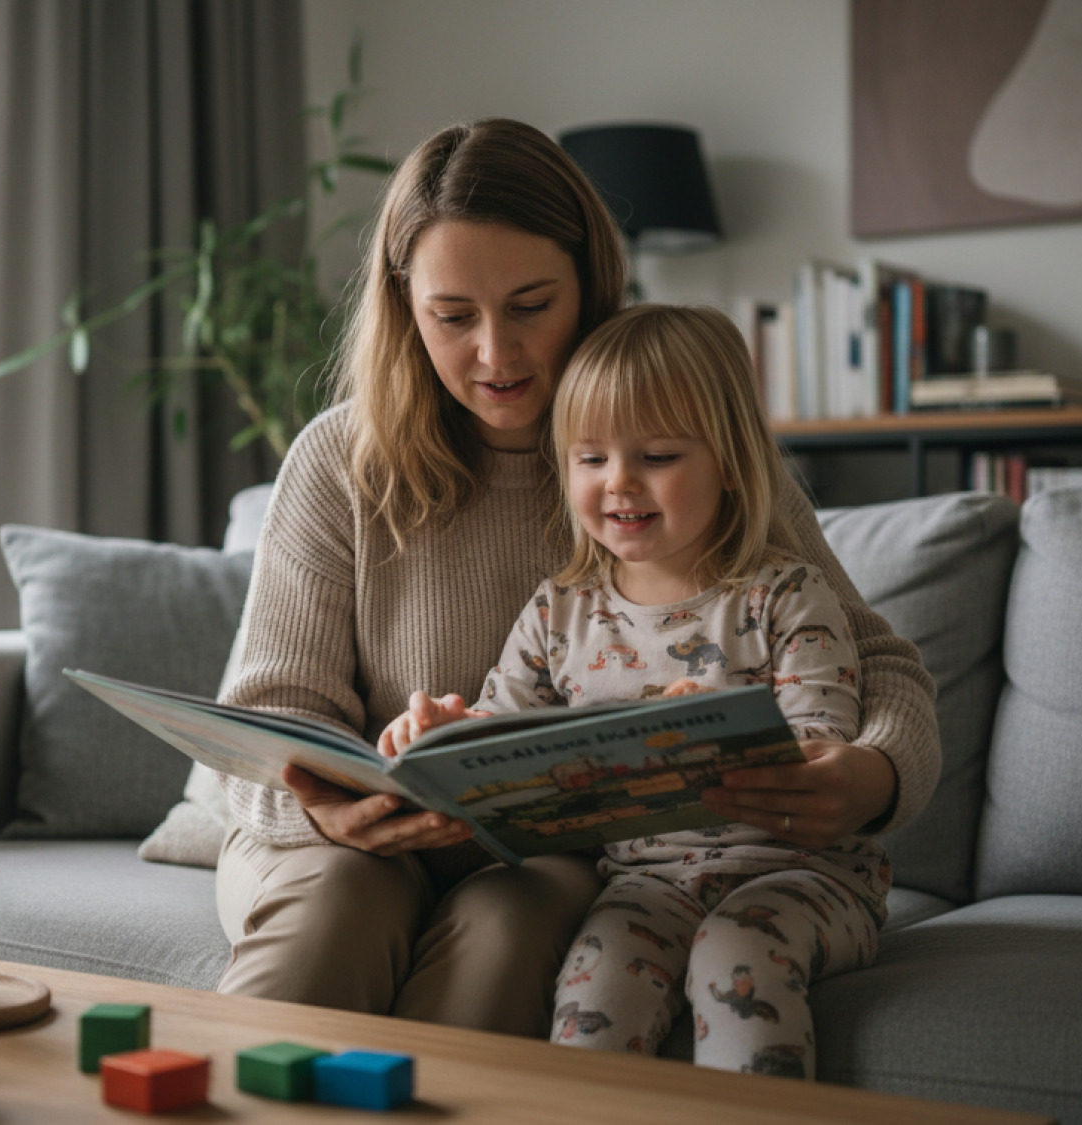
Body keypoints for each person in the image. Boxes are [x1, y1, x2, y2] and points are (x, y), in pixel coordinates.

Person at [213, 117, 938, 1041]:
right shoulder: (337, 465)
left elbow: (879, 664)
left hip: (538, 856)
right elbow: (269, 714)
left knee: (511, 930)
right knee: (341, 910)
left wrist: (871, 776)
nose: (496, 354)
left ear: (591, 285)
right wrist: (336, 809)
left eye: (530, 305)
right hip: (331, 847)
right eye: (453, 316)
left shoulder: (680, 461)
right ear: (405, 307)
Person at [380, 304, 887, 1076]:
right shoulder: (561, 608)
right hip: (647, 884)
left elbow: (820, 747)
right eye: (589, 459)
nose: (619, 481)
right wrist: (440, 732)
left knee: (733, 954)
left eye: (655, 454)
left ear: (730, 459)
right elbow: (501, 736)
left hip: (802, 877)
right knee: (594, 991)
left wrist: (697, 734)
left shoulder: (784, 594)